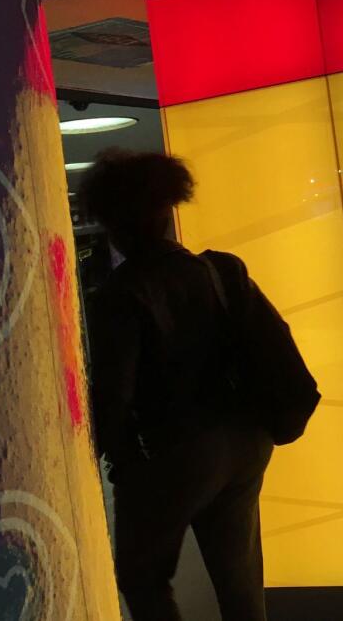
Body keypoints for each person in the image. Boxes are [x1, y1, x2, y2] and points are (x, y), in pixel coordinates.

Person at [81, 150, 278, 621]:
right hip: (246, 442)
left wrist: (111, 454)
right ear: (169, 208)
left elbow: (115, 391)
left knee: (141, 576)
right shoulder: (218, 271)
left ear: (112, 222)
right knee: (240, 582)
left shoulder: (121, 294)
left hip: (177, 452)